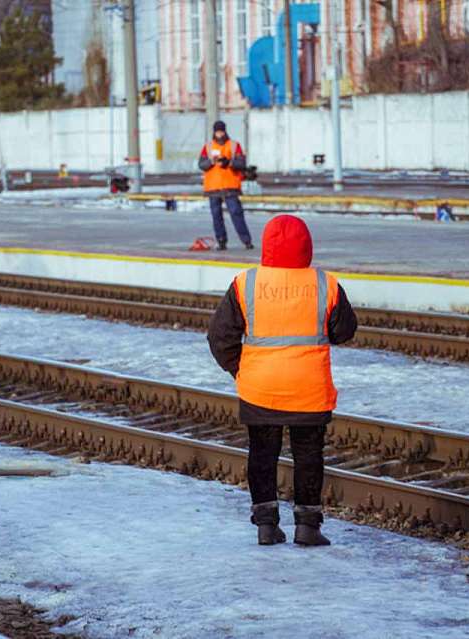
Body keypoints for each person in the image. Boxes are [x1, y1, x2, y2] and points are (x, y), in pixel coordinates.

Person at [207, 214, 358, 546]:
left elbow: (219, 337)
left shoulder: (245, 283)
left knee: (262, 454)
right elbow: (344, 330)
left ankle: (266, 526)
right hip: (309, 389)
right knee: (309, 455)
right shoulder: (325, 284)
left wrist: (240, 370)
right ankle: (307, 527)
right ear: (307, 246)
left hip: (260, 388)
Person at [198, 120, 253, 251]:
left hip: (230, 185)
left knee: (236, 213)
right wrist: (211, 161)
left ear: (225, 131)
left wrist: (229, 163)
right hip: (213, 187)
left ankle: (246, 240)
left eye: (221, 131)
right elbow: (201, 165)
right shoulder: (208, 147)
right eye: (217, 131)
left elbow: (242, 163)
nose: (220, 134)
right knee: (216, 216)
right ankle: (221, 241)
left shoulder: (234, 145)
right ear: (214, 132)